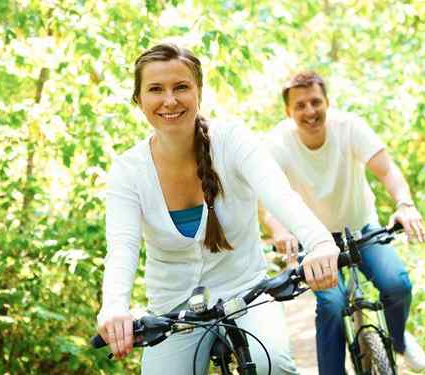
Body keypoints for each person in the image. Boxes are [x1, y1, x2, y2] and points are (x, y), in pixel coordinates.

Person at [96, 44, 342, 375]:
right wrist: (114, 307)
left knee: (275, 367)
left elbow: (280, 195)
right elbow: (122, 248)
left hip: (247, 291)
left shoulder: (233, 142)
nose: (170, 100)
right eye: (155, 89)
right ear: (138, 99)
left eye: (181, 87)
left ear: (198, 92)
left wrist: (321, 243)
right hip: (173, 309)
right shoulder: (128, 171)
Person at [263, 71, 425, 373]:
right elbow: (268, 198)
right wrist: (279, 229)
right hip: (314, 240)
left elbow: (388, 171)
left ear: (327, 102)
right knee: (332, 304)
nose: (310, 111)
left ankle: (399, 339)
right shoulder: (277, 143)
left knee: (397, 283)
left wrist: (405, 204)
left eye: (316, 102)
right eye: (300, 106)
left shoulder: (349, 127)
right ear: (288, 112)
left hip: (360, 227)